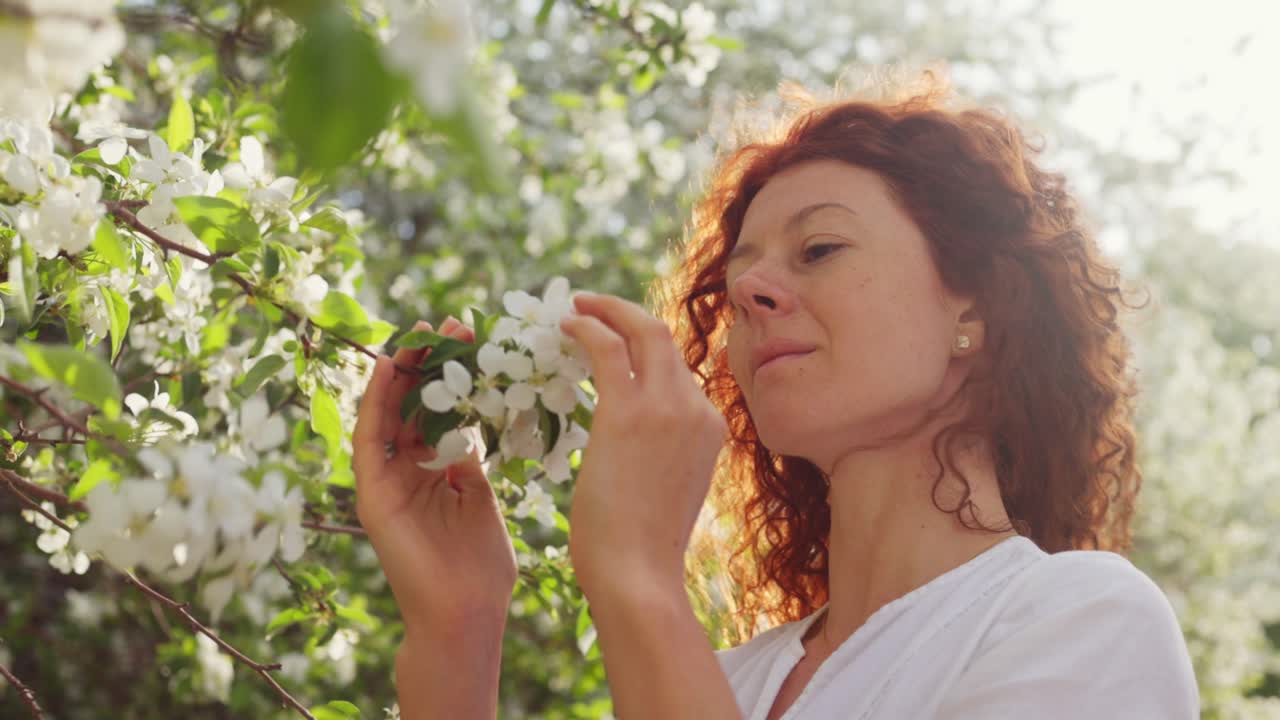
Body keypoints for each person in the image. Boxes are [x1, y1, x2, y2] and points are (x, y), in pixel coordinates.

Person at [352, 67, 1200, 719]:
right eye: (737, 276)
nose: (751, 293)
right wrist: (458, 629)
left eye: (820, 248)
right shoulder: (724, 681)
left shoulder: (1082, 619)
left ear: (975, 306)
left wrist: (640, 575)